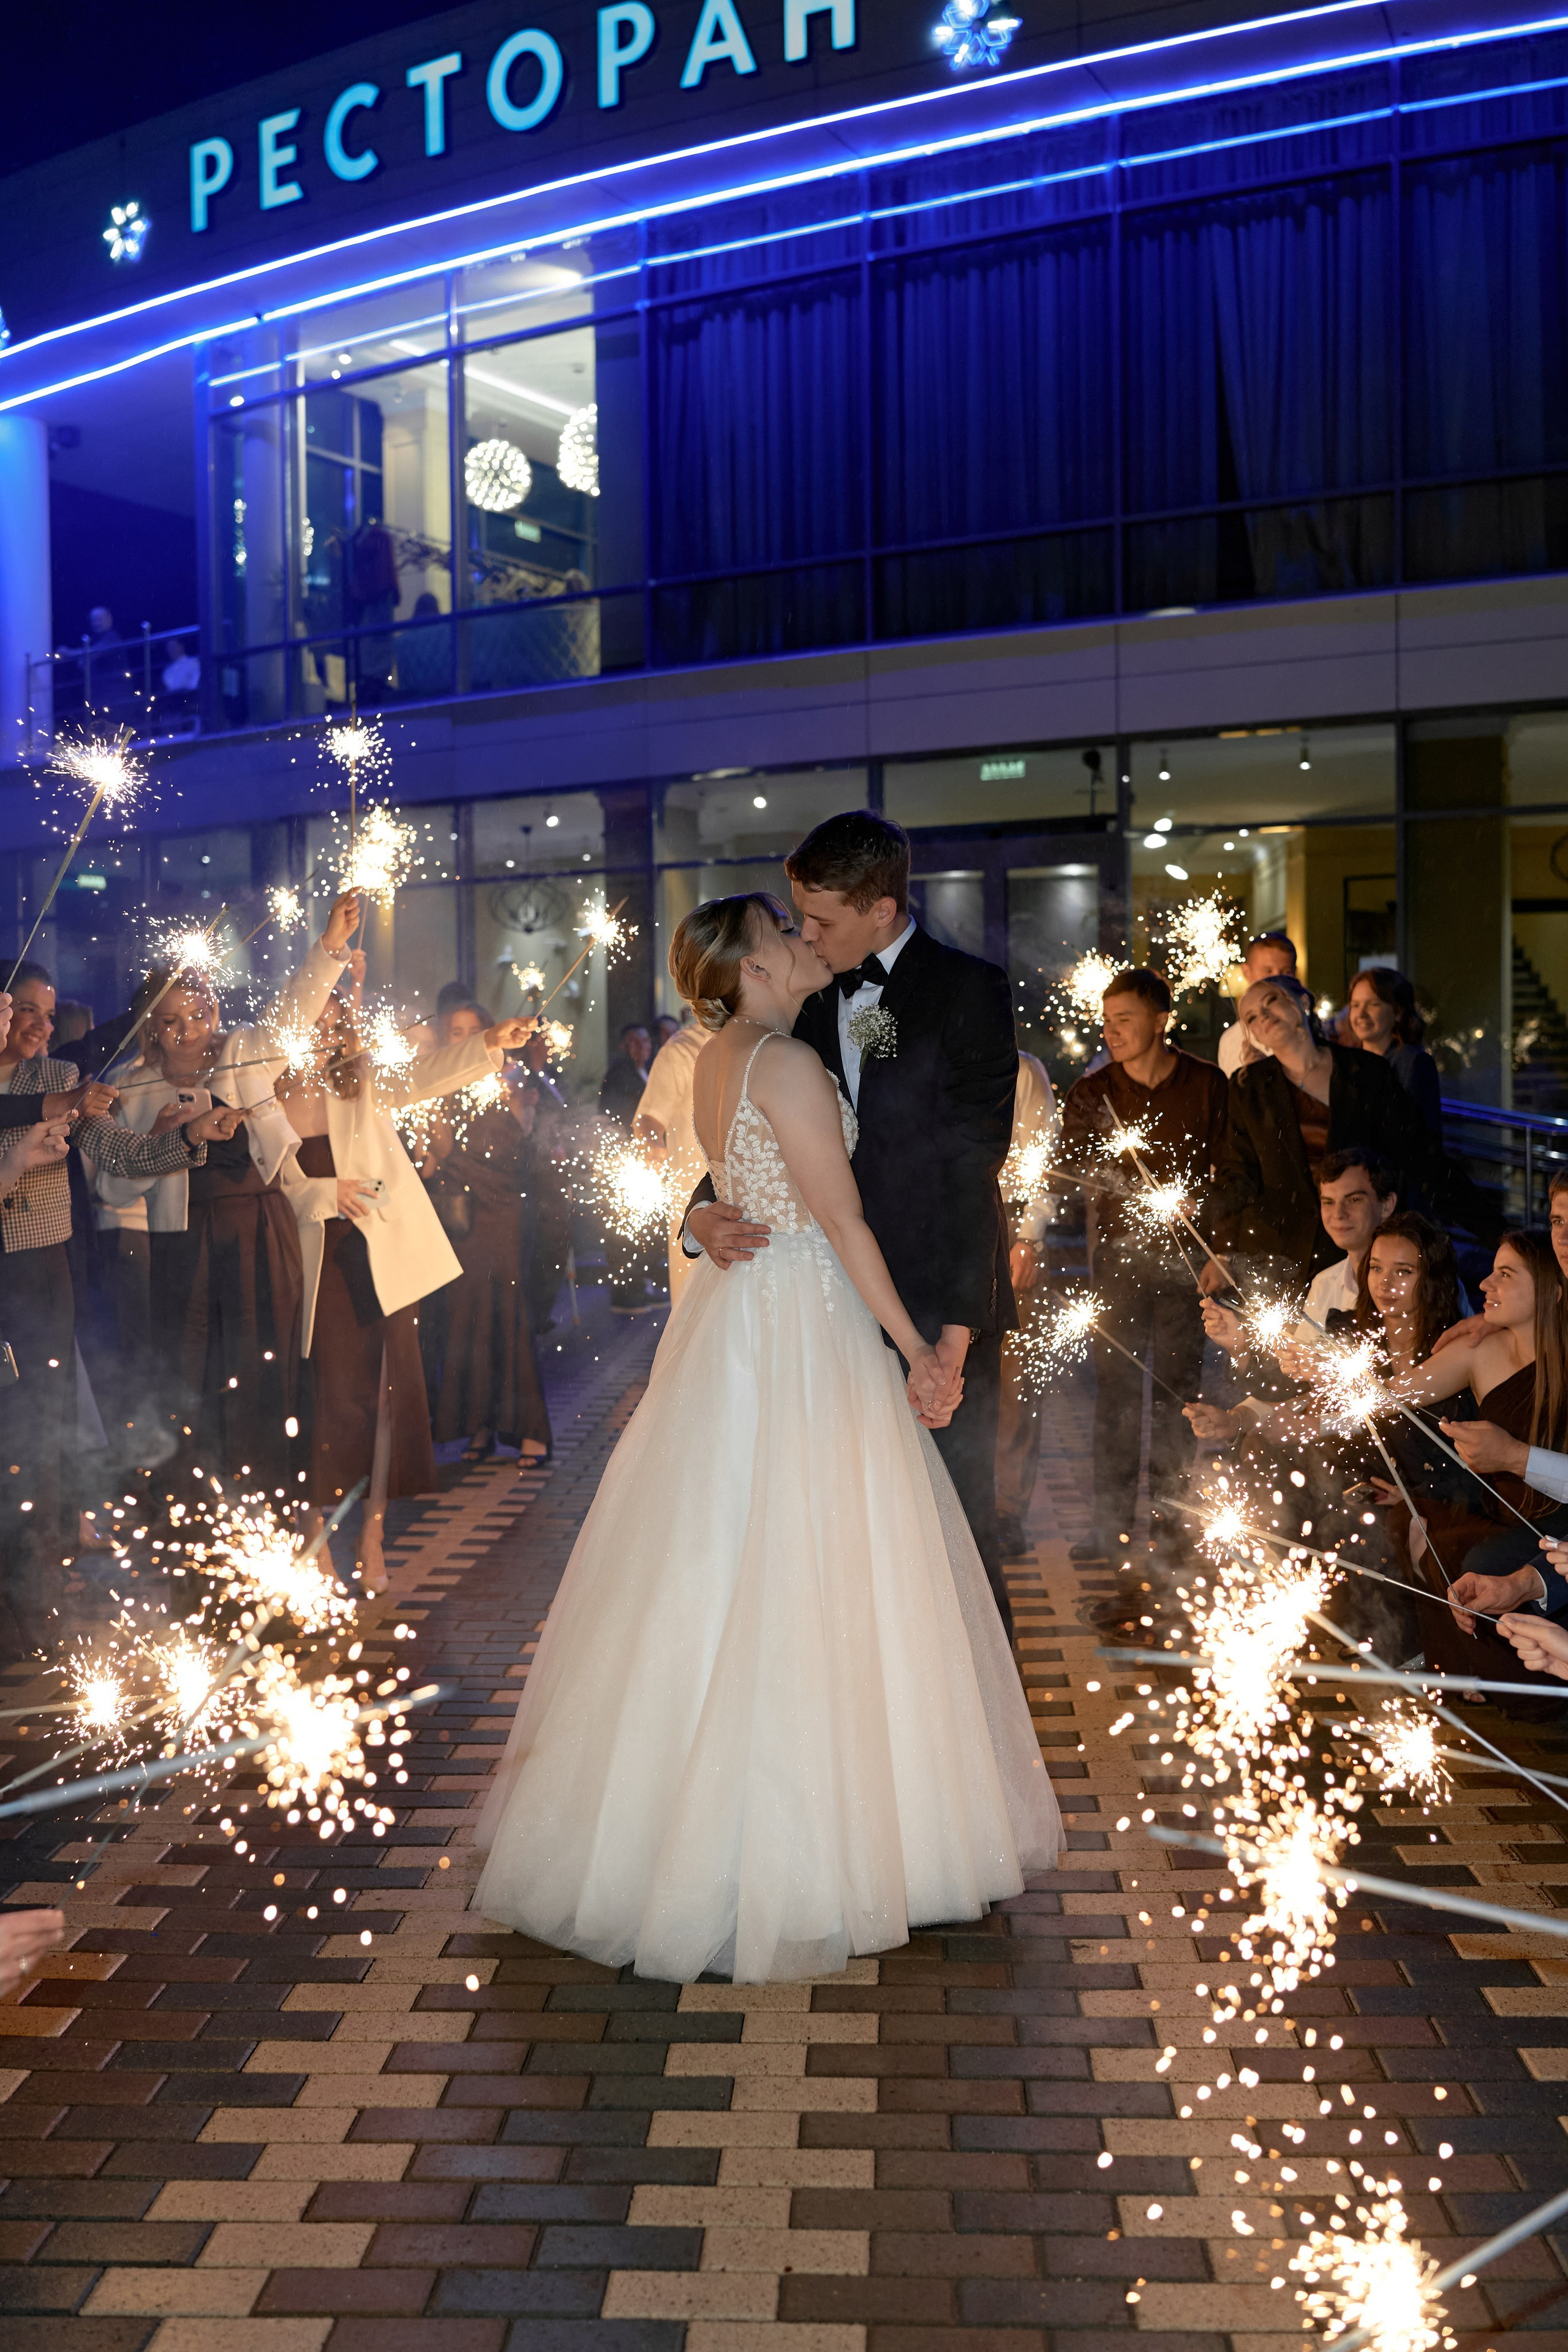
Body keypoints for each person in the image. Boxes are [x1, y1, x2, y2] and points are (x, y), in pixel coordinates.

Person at [472, 891, 1060, 1982]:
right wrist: (920, 1350)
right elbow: (838, 1218)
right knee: (810, 1560)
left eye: (806, 924)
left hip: (744, 1323)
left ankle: (683, 1833)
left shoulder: (726, 1054)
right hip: (805, 1315)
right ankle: (816, 1848)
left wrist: (704, 1214)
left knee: (725, 1559)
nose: (801, 942)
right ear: (745, 969)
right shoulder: (784, 1063)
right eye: (781, 934)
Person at [683, 812, 1020, 1636]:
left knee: (954, 1545)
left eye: (822, 921)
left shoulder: (967, 992)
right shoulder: (800, 996)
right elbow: (763, 1137)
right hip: (820, 1322)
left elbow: (971, 1170)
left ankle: (969, 1753)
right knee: (839, 1557)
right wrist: (700, 1214)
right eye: (798, 920)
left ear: (880, 908)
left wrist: (952, 1334)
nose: (807, 934)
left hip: (931, 1311)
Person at [0, 963, 235, 1652]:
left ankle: (36, 1601)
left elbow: (121, 1156)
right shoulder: (48, 1093)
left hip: (41, 1274)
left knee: (38, 1436)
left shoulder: (52, 1083)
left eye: (34, 1010)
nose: (30, 1021)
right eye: (17, 1009)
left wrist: (188, 1140)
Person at [278, 967, 537, 1582]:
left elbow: (426, 1075)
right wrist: (322, 1192)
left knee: (386, 1395)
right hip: (314, 1254)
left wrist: (492, 1041)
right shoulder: (269, 1090)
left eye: (338, 1024)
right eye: (318, 1021)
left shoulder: (361, 1082)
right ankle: (312, 1534)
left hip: (378, 1252)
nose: (329, 1034)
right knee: (325, 1397)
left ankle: (373, 1537)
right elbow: (266, 1184)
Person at [118, 892, 364, 1498]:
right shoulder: (132, 1086)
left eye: (197, 1015)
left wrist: (329, 948)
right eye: (170, 1021)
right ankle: (195, 1515)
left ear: (215, 1011)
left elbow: (290, 1015)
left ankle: (268, 1517)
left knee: (261, 1378)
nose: (187, 1031)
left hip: (261, 1233)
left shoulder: (241, 1052)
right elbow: (114, 1185)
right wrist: (161, 1134)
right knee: (189, 1379)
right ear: (151, 1025)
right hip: (181, 1248)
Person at [1057, 967, 1227, 1566]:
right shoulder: (1093, 1092)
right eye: (1106, 1022)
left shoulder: (1207, 1085)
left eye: (1124, 1020)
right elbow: (1069, 1166)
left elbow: (1229, 1172)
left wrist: (1200, 1207)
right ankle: (1108, 1529)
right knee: (1117, 1395)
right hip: (1120, 1263)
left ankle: (1172, 1525)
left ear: (1161, 1021)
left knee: (1177, 1396)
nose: (1111, 1033)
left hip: (1186, 1265)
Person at [1209, 973, 1496, 1287]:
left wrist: (1497, 1232)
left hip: (1358, 1252)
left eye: (1271, 1002)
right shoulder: (1247, 1087)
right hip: (1278, 1259)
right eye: (1252, 1017)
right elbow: (1238, 1175)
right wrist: (1216, 1244)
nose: (1263, 1017)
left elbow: (1421, 1158)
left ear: (1302, 1003)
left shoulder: (1367, 1072)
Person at [423, 1001, 552, 1468]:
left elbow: (527, 1138)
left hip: (506, 1212)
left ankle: (531, 1430)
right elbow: (434, 1159)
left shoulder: (509, 1077)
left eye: (474, 1029)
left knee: (509, 1314)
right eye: (455, 1031)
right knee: (467, 1318)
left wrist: (518, 1097)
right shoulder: (437, 1085)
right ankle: (479, 1425)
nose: (464, 1038)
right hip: (462, 1213)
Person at [995, 1050, 1058, 1562]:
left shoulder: (1021, 1070)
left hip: (1011, 1227)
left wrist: (1029, 1238)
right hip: (947, 1228)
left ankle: (1007, 1509)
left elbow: (1043, 1156)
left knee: (1016, 1382)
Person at [634, 1013, 708, 1302]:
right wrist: (653, 1143)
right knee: (697, 1298)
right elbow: (649, 1118)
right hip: (695, 1198)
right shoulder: (681, 1049)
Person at [1346, 967, 1442, 1136]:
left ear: (1398, 1012)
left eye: (1373, 1004)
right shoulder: (1348, 1062)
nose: (1361, 1014)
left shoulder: (1412, 1062)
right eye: (1355, 1005)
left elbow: (1413, 1135)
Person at [1216, 931, 1298, 1077]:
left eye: (1286, 972)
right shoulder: (1230, 1039)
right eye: (1268, 971)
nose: (1277, 980)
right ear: (1247, 972)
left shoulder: (1306, 1031)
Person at [599, 1023, 652, 1126]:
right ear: (623, 1046)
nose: (642, 1046)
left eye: (645, 1041)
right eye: (635, 1042)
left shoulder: (653, 1069)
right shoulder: (617, 1075)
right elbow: (609, 1110)